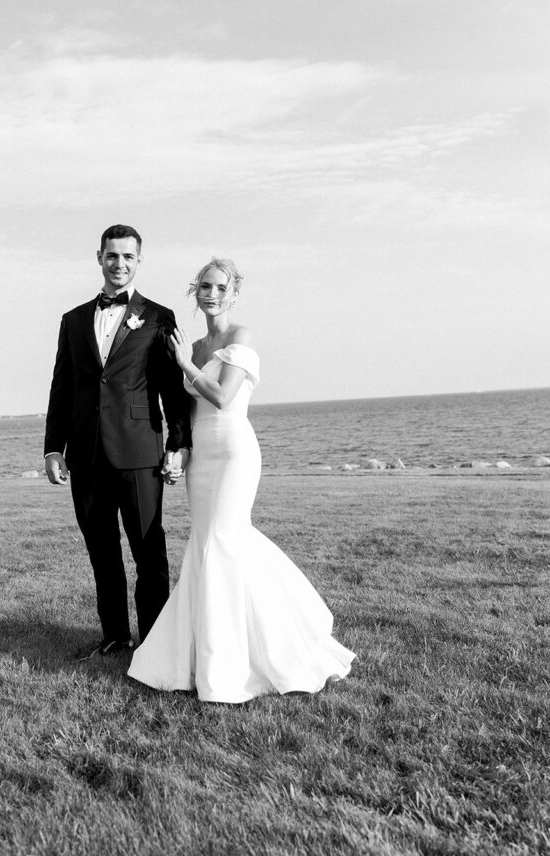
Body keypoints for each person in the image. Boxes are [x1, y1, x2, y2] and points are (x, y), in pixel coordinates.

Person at [128, 258, 355, 702]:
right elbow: (189, 409)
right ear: (196, 292)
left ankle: (256, 653)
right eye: (204, 287)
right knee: (206, 546)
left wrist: (183, 365)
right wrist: (180, 451)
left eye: (220, 287)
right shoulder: (191, 345)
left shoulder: (239, 337)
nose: (211, 294)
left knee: (224, 542)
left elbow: (223, 394)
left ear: (232, 294)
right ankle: (200, 659)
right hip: (203, 457)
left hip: (235, 451)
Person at [43, 224, 192, 656]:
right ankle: (114, 637)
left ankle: (158, 641)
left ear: (139, 261)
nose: (120, 264)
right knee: (102, 552)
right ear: (99, 258)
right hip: (86, 454)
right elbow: (62, 387)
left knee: (149, 551)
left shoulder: (159, 316)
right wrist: (54, 447)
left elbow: (171, 388)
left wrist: (177, 444)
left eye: (128, 257)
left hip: (139, 451)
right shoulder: (72, 321)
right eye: (112, 256)